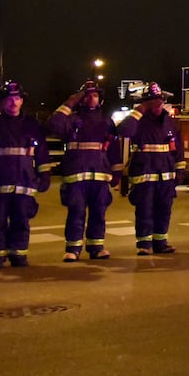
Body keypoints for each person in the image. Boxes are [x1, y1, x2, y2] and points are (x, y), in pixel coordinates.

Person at [47, 80, 120, 261]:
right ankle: (73, 249)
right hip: (76, 174)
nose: (91, 99)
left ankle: (97, 247)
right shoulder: (71, 120)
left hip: (100, 174)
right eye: (87, 95)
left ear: (100, 99)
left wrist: (117, 171)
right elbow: (53, 125)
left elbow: (114, 148)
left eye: (95, 95)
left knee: (99, 212)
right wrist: (71, 101)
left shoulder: (106, 122)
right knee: (76, 211)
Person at [0, 81, 52, 268]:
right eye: (9, 99)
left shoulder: (31, 124)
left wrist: (44, 174)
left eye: (17, 98)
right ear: (1, 102)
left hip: (24, 181)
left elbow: (42, 152)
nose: (13, 102)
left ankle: (18, 255)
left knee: (21, 221)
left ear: (22, 101)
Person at [116, 81, 186, 255]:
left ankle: (160, 242)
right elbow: (124, 130)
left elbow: (177, 147)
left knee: (164, 210)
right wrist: (139, 110)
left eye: (160, 100)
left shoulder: (168, 121)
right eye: (153, 100)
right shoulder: (138, 120)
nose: (158, 103)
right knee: (145, 209)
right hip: (145, 173)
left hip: (166, 174)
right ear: (146, 102)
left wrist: (180, 169)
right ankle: (144, 244)